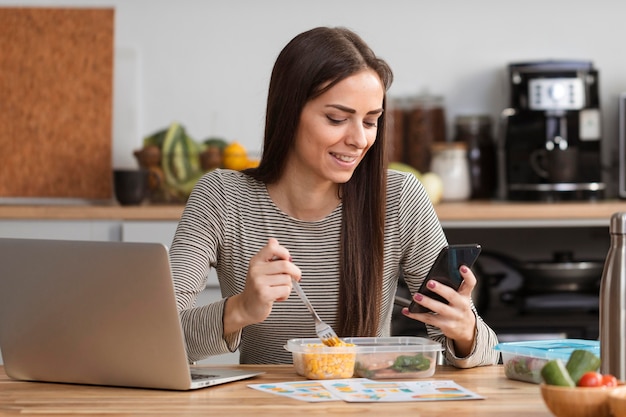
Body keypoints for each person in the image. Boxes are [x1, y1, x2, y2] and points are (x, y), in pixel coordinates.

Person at [170, 26, 499, 367]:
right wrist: (240, 309)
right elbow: (159, 338)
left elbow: (485, 354)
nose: (358, 140)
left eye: (371, 121)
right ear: (288, 112)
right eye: (337, 118)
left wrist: (465, 330)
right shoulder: (222, 196)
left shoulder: (399, 198)